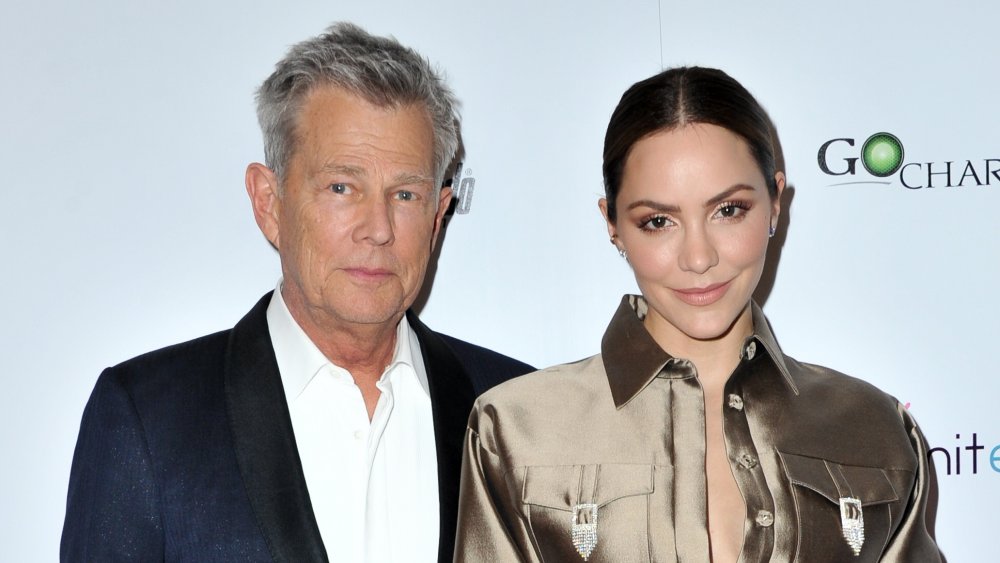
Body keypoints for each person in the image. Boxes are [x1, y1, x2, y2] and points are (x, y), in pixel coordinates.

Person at [61, 22, 532, 563]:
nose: (378, 227)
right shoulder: (147, 419)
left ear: (437, 216)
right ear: (268, 202)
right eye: (341, 187)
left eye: (405, 193)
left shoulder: (516, 412)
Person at [454, 67, 940, 562]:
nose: (698, 257)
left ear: (774, 202)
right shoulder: (515, 429)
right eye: (658, 221)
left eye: (728, 210)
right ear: (612, 224)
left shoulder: (875, 428)